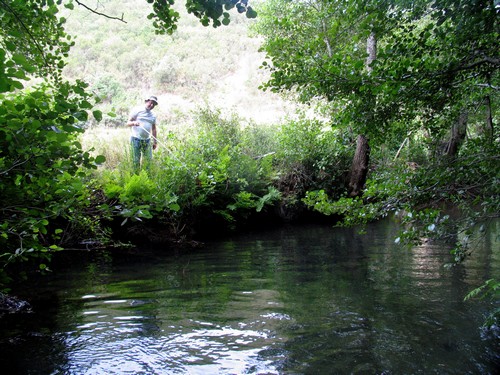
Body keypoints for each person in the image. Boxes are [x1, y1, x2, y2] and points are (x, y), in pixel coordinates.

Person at [127, 95, 158, 171]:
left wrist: (155, 142)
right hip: (135, 139)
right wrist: (134, 123)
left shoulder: (153, 115)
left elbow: (154, 129)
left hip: (147, 141)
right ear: (146, 101)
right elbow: (128, 123)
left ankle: (146, 178)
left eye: (154, 104)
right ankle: (136, 178)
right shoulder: (137, 110)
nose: (151, 105)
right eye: (151, 103)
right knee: (135, 160)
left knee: (148, 160)